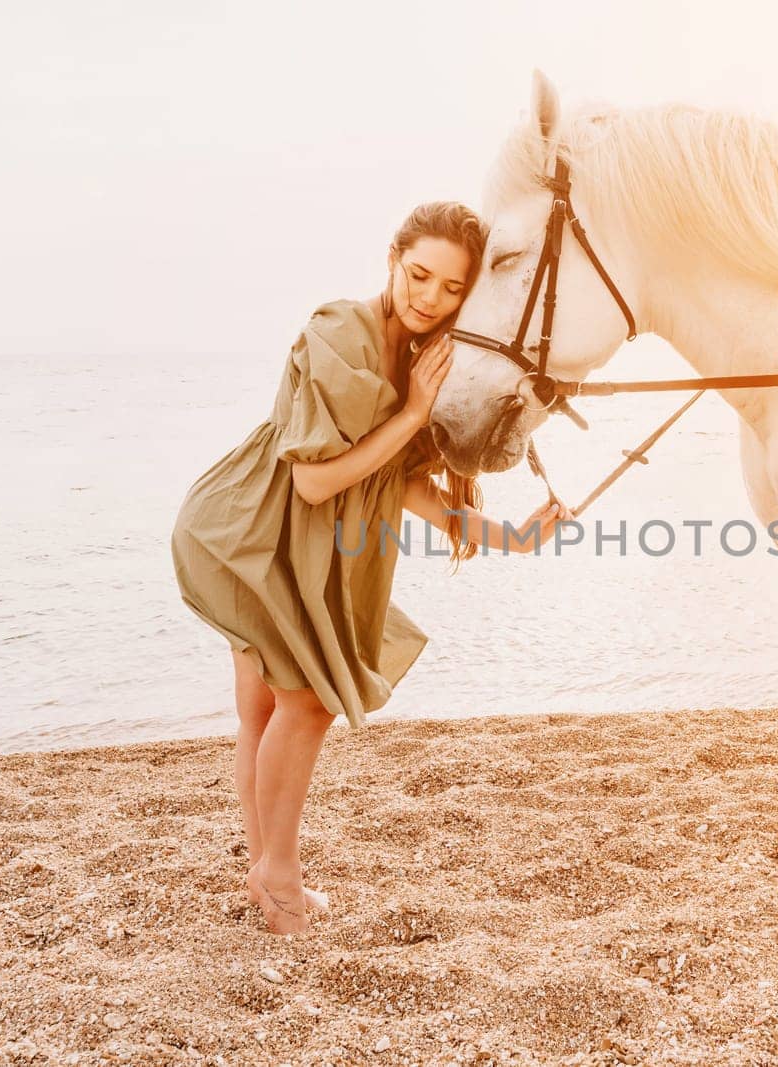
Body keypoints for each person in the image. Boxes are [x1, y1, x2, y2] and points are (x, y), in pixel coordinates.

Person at [170, 201, 574, 936]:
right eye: (419, 275)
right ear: (393, 259)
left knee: (269, 710)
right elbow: (316, 483)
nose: (430, 297)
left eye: (453, 288)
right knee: (304, 705)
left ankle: (266, 873)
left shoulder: (430, 360)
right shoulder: (340, 332)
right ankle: (281, 875)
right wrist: (414, 414)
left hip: (299, 542)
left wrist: (513, 536)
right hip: (249, 528)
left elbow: (404, 484)